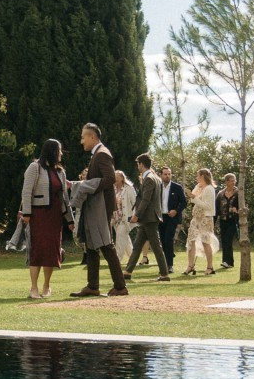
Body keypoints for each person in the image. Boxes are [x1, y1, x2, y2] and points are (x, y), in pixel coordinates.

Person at [69, 123, 127, 298]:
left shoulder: (102, 154)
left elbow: (110, 178)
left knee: (104, 244)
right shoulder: (99, 154)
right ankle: (92, 286)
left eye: (83, 137)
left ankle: (120, 286)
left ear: (92, 137)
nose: (81, 141)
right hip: (98, 207)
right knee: (92, 245)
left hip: (100, 207)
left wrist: (89, 187)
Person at [21, 138, 68, 299]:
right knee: (37, 250)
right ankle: (33, 288)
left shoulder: (60, 171)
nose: (61, 154)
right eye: (59, 150)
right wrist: (27, 214)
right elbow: (27, 192)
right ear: (53, 151)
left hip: (55, 217)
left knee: (52, 251)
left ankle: (46, 285)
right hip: (38, 215)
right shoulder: (35, 168)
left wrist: (70, 220)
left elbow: (65, 198)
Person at [126, 153, 170, 281]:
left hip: (148, 218)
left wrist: (136, 215)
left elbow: (146, 200)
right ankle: (128, 272)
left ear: (141, 164)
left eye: (138, 164)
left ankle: (164, 274)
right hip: (149, 217)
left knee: (156, 247)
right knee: (138, 246)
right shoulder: (155, 177)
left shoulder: (149, 178)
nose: (137, 167)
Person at [185, 167, 219, 276]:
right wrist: (192, 196)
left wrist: (194, 198)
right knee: (191, 240)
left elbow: (207, 206)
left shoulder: (209, 189)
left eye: (198, 176)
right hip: (196, 218)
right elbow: (192, 198)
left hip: (205, 218)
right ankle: (190, 266)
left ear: (203, 176)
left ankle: (210, 266)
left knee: (205, 242)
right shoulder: (198, 186)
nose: (197, 178)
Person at [159, 164, 184, 272]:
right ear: (161, 175)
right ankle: (164, 263)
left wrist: (176, 211)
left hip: (171, 217)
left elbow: (183, 202)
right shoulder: (157, 186)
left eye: (169, 174)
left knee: (169, 239)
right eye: (165, 174)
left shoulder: (177, 187)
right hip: (160, 217)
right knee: (163, 240)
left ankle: (170, 265)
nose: (167, 176)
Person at [216, 172, 241, 270]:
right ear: (226, 182)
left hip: (233, 220)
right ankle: (225, 261)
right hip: (223, 220)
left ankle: (229, 262)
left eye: (234, 180)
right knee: (224, 240)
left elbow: (242, 206)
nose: (233, 182)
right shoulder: (220, 193)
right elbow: (216, 207)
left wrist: (237, 210)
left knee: (228, 239)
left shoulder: (238, 193)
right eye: (231, 180)